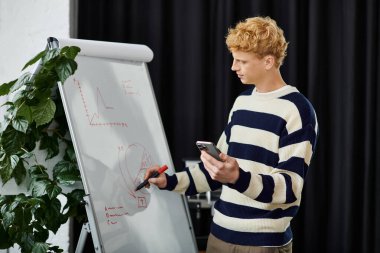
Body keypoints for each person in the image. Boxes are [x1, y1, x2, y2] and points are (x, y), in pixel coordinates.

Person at [145, 16, 318, 253]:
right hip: (218, 236)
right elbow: (216, 172)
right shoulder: (241, 102)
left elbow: (289, 189)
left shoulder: (297, 110)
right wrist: (169, 181)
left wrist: (238, 177)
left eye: (241, 61)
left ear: (268, 61)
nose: (233, 67)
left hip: (263, 244)